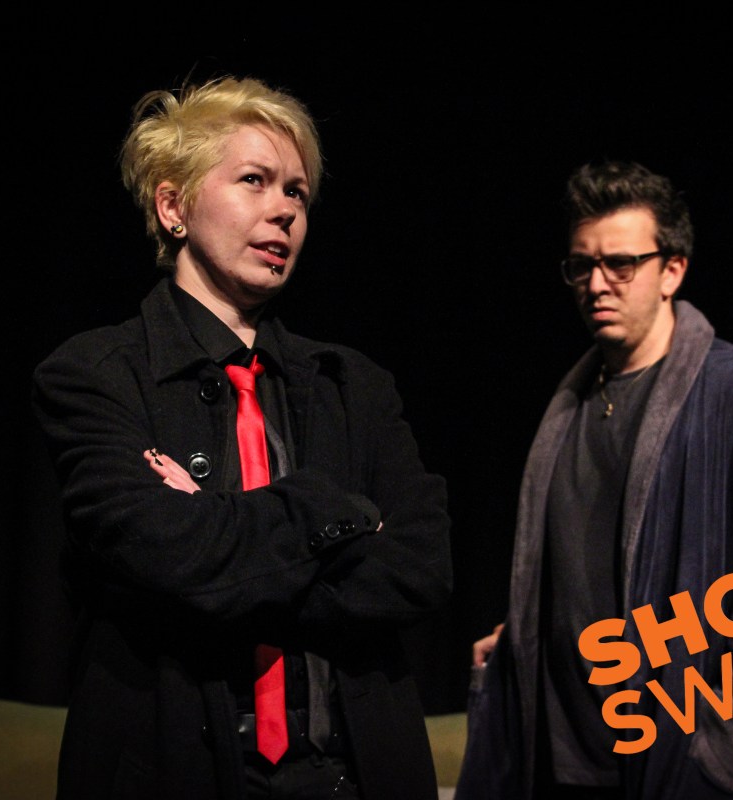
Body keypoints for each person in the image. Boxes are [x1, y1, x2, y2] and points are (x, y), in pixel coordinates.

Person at [31, 75, 452, 800]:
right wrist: (341, 516)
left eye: (297, 192)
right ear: (173, 207)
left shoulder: (355, 385)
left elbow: (422, 566)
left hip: (349, 777)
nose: (284, 209)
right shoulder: (96, 375)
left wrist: (218, 539)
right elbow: (166, 552)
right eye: (255, 180)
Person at [455, 161, 733, 799]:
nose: (597, 284)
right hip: (562, 769)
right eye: (582, 265)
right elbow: (585, 574)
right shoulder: (569, 404)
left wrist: (722, 759)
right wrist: (524, 638)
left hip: (676, 773)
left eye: (621, 264)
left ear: (673, 271)